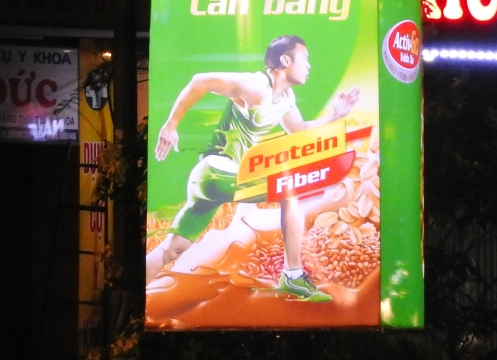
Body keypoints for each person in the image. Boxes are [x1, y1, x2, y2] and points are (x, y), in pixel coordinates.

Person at [147, 34, 357, 302]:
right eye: (304, 58)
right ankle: (293, 276)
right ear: (285, 60)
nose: (309, 65)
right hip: (215, 170)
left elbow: (299, 129)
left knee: (173, 249)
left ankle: (134, 295)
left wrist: (336, 114)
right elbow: (200, 81)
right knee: (289, 190)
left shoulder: (286, 98)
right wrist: (171, 125)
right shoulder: (255, 85)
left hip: (217, 179)